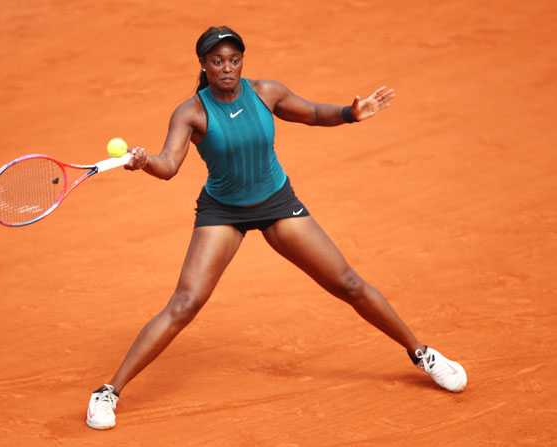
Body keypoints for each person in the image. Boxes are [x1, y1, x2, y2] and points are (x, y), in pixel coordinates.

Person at [85, 26, 467, 430]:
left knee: (349, 284)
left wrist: (351, 114)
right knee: (184, 304)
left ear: (242, 62)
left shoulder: (266, 92)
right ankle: (107, 391)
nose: (227, 68)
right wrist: (142, 161)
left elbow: (314, 114)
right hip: (223, 212)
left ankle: (422, 353)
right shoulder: (191, 112)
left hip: (277, 203)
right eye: (217, 61)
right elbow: (168, 167)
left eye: (234, 60)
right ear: (203, 65)